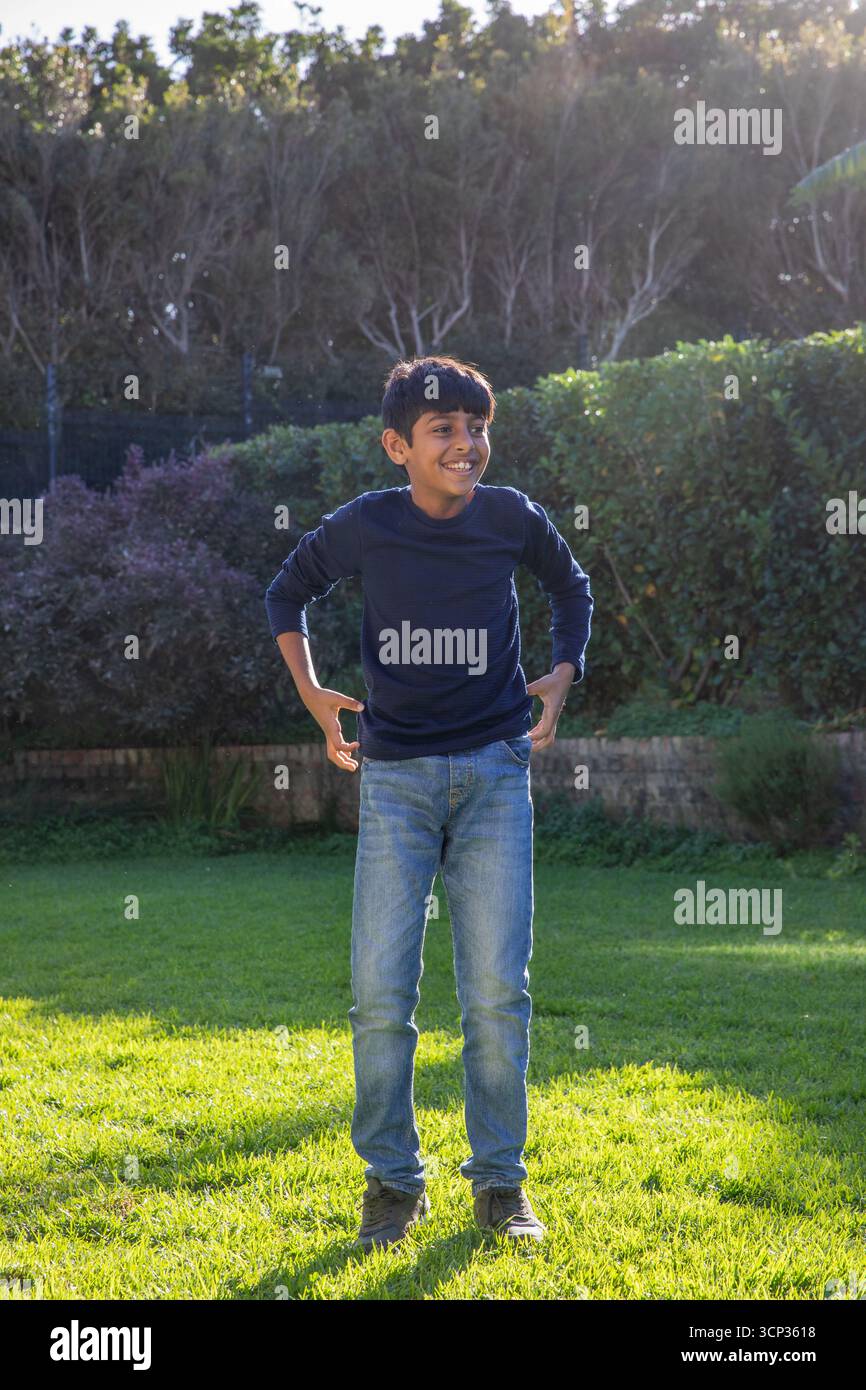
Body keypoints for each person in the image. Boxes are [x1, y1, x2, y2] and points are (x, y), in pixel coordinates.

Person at [264, 355, 593, 1251]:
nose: (467, 443)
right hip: (399, 780)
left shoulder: (511, 517)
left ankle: (500, 1185)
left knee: (496, 992)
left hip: (493, 772)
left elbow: (570, 585)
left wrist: (562, 674)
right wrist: (313, 691)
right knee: (380, 992)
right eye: (445, 429)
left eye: (478, 428)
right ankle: (392, 1184)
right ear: (397, 446)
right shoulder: (366, 527)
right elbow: (286, 592)